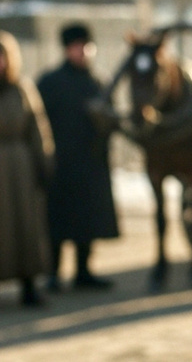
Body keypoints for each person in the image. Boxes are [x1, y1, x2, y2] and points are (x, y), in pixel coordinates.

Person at [37, 23, 118, 291]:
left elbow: (113, 122)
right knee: (57, 221)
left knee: (87, 221)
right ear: (67, 49)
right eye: (76, 47)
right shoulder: (49, 83)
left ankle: (84, 271)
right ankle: (53, 273)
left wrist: (104, 118)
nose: (81, 52)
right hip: (60, 164)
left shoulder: (99, 83)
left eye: (85, 47)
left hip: (90, 163)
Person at [0, 31, 55, 307]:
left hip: (19, 167)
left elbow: (37, 127)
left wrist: (44, 163)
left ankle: (29, 283)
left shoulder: (22, 88)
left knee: (25, 225)